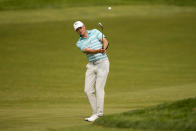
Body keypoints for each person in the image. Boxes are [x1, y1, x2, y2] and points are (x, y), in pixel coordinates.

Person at [73, 21, 110, 122]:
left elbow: (105, 41)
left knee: (99, 88)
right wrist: (98, 50)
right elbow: (87, 50)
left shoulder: (95, 31)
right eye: (77, 29)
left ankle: (99, 114)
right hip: (91, 66)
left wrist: (104, 48)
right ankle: (95, 113)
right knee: (88, 90)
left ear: (84, 26)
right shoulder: (79, 43)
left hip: (103, 63)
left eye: (80, 27)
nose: (80, 30)